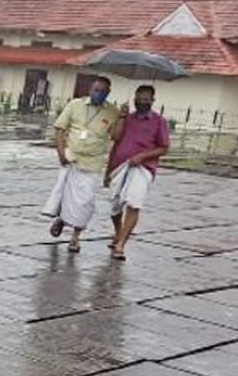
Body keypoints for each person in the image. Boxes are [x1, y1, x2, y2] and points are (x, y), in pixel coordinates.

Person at [42, 76, 123, 253]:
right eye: (96, 90)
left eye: (103, 91)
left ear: (108, 93)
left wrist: (123, 117)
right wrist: (61, 153)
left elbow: (116, 137)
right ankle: (62, 219)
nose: (99, 94)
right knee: (64, 195)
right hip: (71, 158)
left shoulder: (112, 112)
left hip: (92, 163)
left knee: (85, 201)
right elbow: (59, 129)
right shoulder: (75, 105)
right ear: (90, 90)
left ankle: (75, 237)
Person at [104, 85, 169, 261]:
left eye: (146, 100)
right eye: (139, 99)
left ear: (152, 101)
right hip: (119, 166)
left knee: (134, 203)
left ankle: (120, 245)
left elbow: (164, 148)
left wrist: (143, 156)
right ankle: (119, 232)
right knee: (115, 206)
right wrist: (122, 117)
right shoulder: (127, 118)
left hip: (143, 169)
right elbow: (115, 139)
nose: (142, 102)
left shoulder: (159, 122)